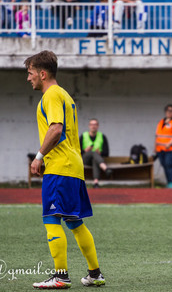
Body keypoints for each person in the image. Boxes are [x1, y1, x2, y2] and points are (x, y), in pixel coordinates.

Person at [25, 50, 105, 289]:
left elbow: (56, 129)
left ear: (42, 73)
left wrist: (39, 156)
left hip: (60, 168)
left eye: (30, 73)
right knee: (74, 220)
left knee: (51, 218)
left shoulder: (51, 95)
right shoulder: (65, 95)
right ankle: (95, 273)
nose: (28, 78)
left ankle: (60, 275)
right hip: (73, 167)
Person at [79, 118, 111, 188]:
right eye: (92, 124)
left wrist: (100, 153)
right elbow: (77, 151)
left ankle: (96, 182)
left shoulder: (102, 136)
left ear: (98, 126)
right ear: (89, 126)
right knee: (92, 153)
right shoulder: (83, 136)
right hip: (85, 159)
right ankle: (105, 168)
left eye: (95, 124)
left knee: (94, 158)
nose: (93, 126)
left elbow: (107, 152)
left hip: (97, 160)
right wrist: (85, 151)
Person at [155, 104, 172, 188]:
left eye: (171, 111)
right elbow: (157, 135)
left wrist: (169, 144)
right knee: (164, 165)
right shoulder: (161, 121)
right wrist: (155, 148)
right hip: (160, 149)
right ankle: (169, 181)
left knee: (169, 164)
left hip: (170, 149)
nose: (169, 112)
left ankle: (171, 182)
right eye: (168, 110)